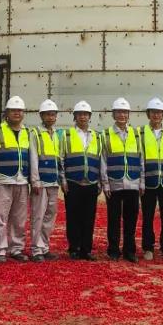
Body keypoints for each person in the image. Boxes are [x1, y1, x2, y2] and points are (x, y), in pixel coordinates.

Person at [0, 96, 31, 263]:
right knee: (1, 216)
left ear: (23, 114)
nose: (17, 113)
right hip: (4, 180)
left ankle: (16, 248)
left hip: (22, 180)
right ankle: (0, 250)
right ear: (6, 113)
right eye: (13, 110)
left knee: (19, 218)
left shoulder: (27, 132)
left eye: (19, 111)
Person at [101, 97, 142, 262]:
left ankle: (129, 250)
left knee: (131, 219)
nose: (122, 115)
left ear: (129, 114)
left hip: (133, 182)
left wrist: (142, 182)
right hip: (114, 183)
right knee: (114, 219)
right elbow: (103, 159)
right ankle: (113, 250)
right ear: (113, 114)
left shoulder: (136, 134)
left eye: (125, 112)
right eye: (119, 112)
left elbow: (141, 159)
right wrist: (105, 183)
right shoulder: (106, 134)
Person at [61, 101, 101, 260]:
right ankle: (74, 248)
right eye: (80, 114)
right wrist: (63, 180)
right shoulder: (67, 135)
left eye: (85, 114)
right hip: (73, 181)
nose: (83, 117)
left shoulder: (97, 135)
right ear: (75, 117)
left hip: (91, 181)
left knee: (89, 216)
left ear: (89, 117)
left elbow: (100, 160)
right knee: (73, 216)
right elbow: (61, 158)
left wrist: (99, 181)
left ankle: (86, 249)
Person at [140, 97, 163, 261]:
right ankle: (148, 248)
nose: (156, 115)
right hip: (148, 180)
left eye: (159, 112)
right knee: (147, 216)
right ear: (148, 114)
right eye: (153, 112)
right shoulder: (141, 133)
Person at [28, 99, 62, 262]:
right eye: (48, 114)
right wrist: (35, 180)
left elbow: (58, 158)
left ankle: (45, 246)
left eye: (53, 114)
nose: (50, 117)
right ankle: (36, 249)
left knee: (50, 215)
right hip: (41, 182)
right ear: (41, 115)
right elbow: (33, 157)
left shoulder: (56, 134)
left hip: (53, 182)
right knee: (38, 215)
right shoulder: (35, 133)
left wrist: (60, 179)